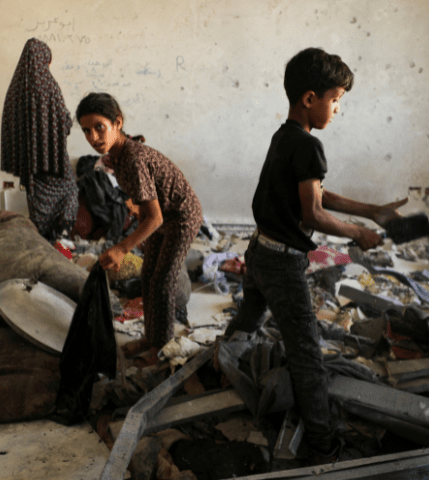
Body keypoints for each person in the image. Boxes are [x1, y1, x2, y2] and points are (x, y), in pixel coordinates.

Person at [223, 47, 408, 463]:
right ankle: (324, 447)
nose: (338, 109)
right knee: (307, 355)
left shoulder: (285, 136)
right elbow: (314, 213)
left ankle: (222, 365)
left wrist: (372, 211)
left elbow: (316, 194)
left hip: (259, 251)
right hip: (282, 264)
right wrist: (359, 233)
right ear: (310, 98)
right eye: (336, 99)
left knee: (249, 317)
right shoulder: (310, 146)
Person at [75, 92, 203, 365]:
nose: (93, 137)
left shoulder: (132, 158)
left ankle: (162, 349)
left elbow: (155, 219)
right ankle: (151, 338)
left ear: (117, 123)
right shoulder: (116, 156)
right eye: (86, 130)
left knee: (163, 282)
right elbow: (147, 204)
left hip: (181, 217)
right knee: (148, 276)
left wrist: (122, 248)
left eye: (100, 127)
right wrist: (140, 231)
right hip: (162, 215)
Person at [1, 38, 78, 241]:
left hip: (29, 163)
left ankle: (43, 240)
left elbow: (9, 126)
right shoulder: (49, 86)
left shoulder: (14, 90)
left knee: (37, 199)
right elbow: (63, 123)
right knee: (69, 191)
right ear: (45, 60)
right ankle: (62, 238)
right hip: (53, 159)